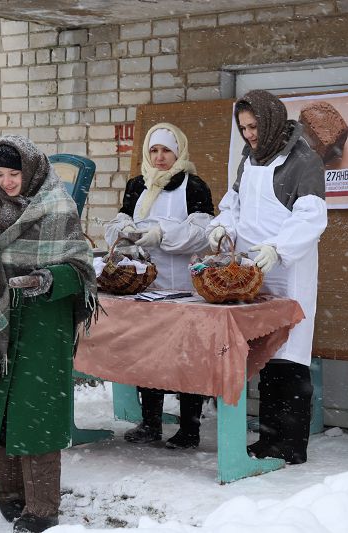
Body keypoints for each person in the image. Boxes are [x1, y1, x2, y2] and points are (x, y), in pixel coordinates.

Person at [0, 135, 96, 533]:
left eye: (14, 173)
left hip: (41, 326)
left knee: (38, 415)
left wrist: (48, 279)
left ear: (31, 171)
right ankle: (7, 492)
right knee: (0, 413)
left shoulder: (58, 206)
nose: (6, 182)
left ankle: (43, 508)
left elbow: (81, 269)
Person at [207, 89, 327, 464]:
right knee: (265, 356)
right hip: (250, 273)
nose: (249, 135)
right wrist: (223, 226)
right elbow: (234, 205)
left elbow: (311, 218)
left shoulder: (304, 161)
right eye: (243, 128)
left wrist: (278, 248)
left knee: (289, 359)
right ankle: (269, 439)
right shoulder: (249, 159)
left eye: (254, 127)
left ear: (271, 121)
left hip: (288, 270)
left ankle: (292, 445)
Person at [104, 123, 214, 449]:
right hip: (146, 284)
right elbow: (121, 220)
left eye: (166, 150)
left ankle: (190, 428)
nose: (160, 157)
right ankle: (150, 422)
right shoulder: (138, 185)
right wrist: (125, 232)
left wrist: (162, 235)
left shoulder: (193, 186)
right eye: (154, 150)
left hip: (183, 286)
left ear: (179, 152)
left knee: (187, 355)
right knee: (149, 353)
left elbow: (203, 233)